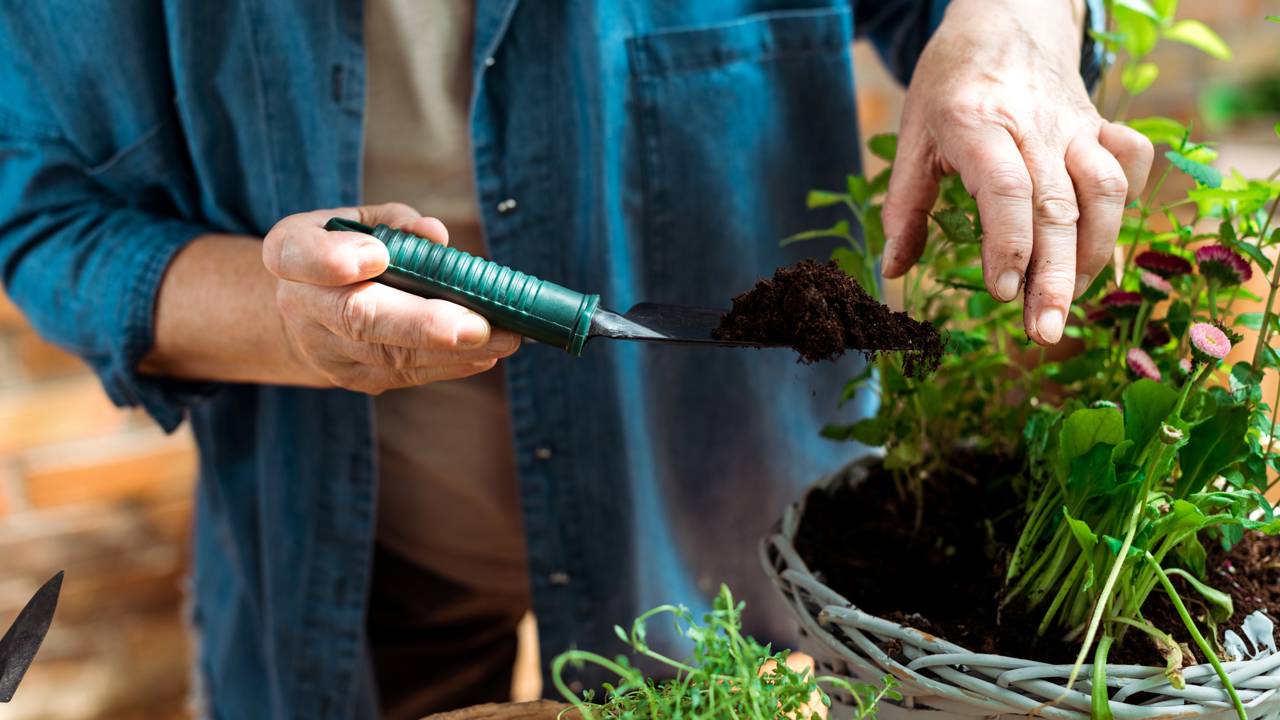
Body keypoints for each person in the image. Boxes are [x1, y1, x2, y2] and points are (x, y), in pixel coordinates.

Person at [0, 1, 1151, 718]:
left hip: (734, 559)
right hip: (335, 573)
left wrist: (1013, 27)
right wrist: (279, 309)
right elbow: (43, 211)